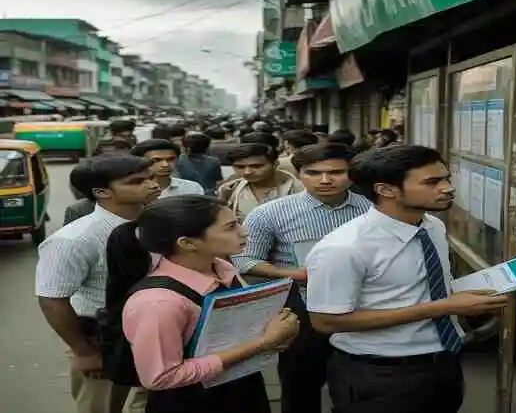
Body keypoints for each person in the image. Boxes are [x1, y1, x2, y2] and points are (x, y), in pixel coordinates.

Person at [305, 145, 509, 413]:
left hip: (443, 362)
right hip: (381, 374)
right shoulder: (344, 247)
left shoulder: (432, 226)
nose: (447, 188)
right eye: (432, 182)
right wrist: (445, 307)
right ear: (386, 190)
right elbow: (325, 321)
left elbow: (423, 288)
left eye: (446, 178)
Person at [105, 195, 300, 413]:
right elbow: (161, 377)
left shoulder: (222, 267)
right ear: (187, 243)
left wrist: (278, 331)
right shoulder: (158, 302)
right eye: (230, 227)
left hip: (242, 389)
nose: (244, 232)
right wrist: (262, 343)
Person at [232, 143, 371, 413]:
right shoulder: (270, 213)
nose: (325, 180)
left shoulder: (372, 209)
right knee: (300, 387)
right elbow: (244, 260)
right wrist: (294, 274)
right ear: (299, 174)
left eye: (336, 172)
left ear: (351, 174)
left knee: (358, 385)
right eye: (313, 172)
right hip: (301, 309)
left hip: (363, 306)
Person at [35, 155, 160, 413]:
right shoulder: (74, 239)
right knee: (103, 406)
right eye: (137, 181)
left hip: (158, 330)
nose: (152, 185)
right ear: (102, 192)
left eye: (150, 177)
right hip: (105, 338)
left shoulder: (158, 224)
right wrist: (84, 351)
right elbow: (52, 299)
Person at [220, 144, 304, 221]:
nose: (247, 172)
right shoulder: (231, 189)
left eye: (256, 166)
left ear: (275, 164)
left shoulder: (299, 189)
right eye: (240, 167)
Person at [131, 139, 204, 198]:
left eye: (171, 159)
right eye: (156, 160)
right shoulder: (130, 190)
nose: (165, 165)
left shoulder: (191, 188)